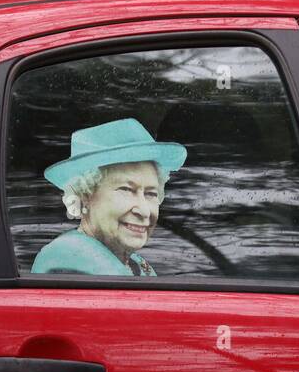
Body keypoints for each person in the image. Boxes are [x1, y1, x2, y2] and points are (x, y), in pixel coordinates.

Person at [32, 118, 186, 276]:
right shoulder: (69, 258)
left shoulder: (135, 263)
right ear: (85, 195)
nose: (144, 211)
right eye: (126, 189)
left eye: (151, 193)